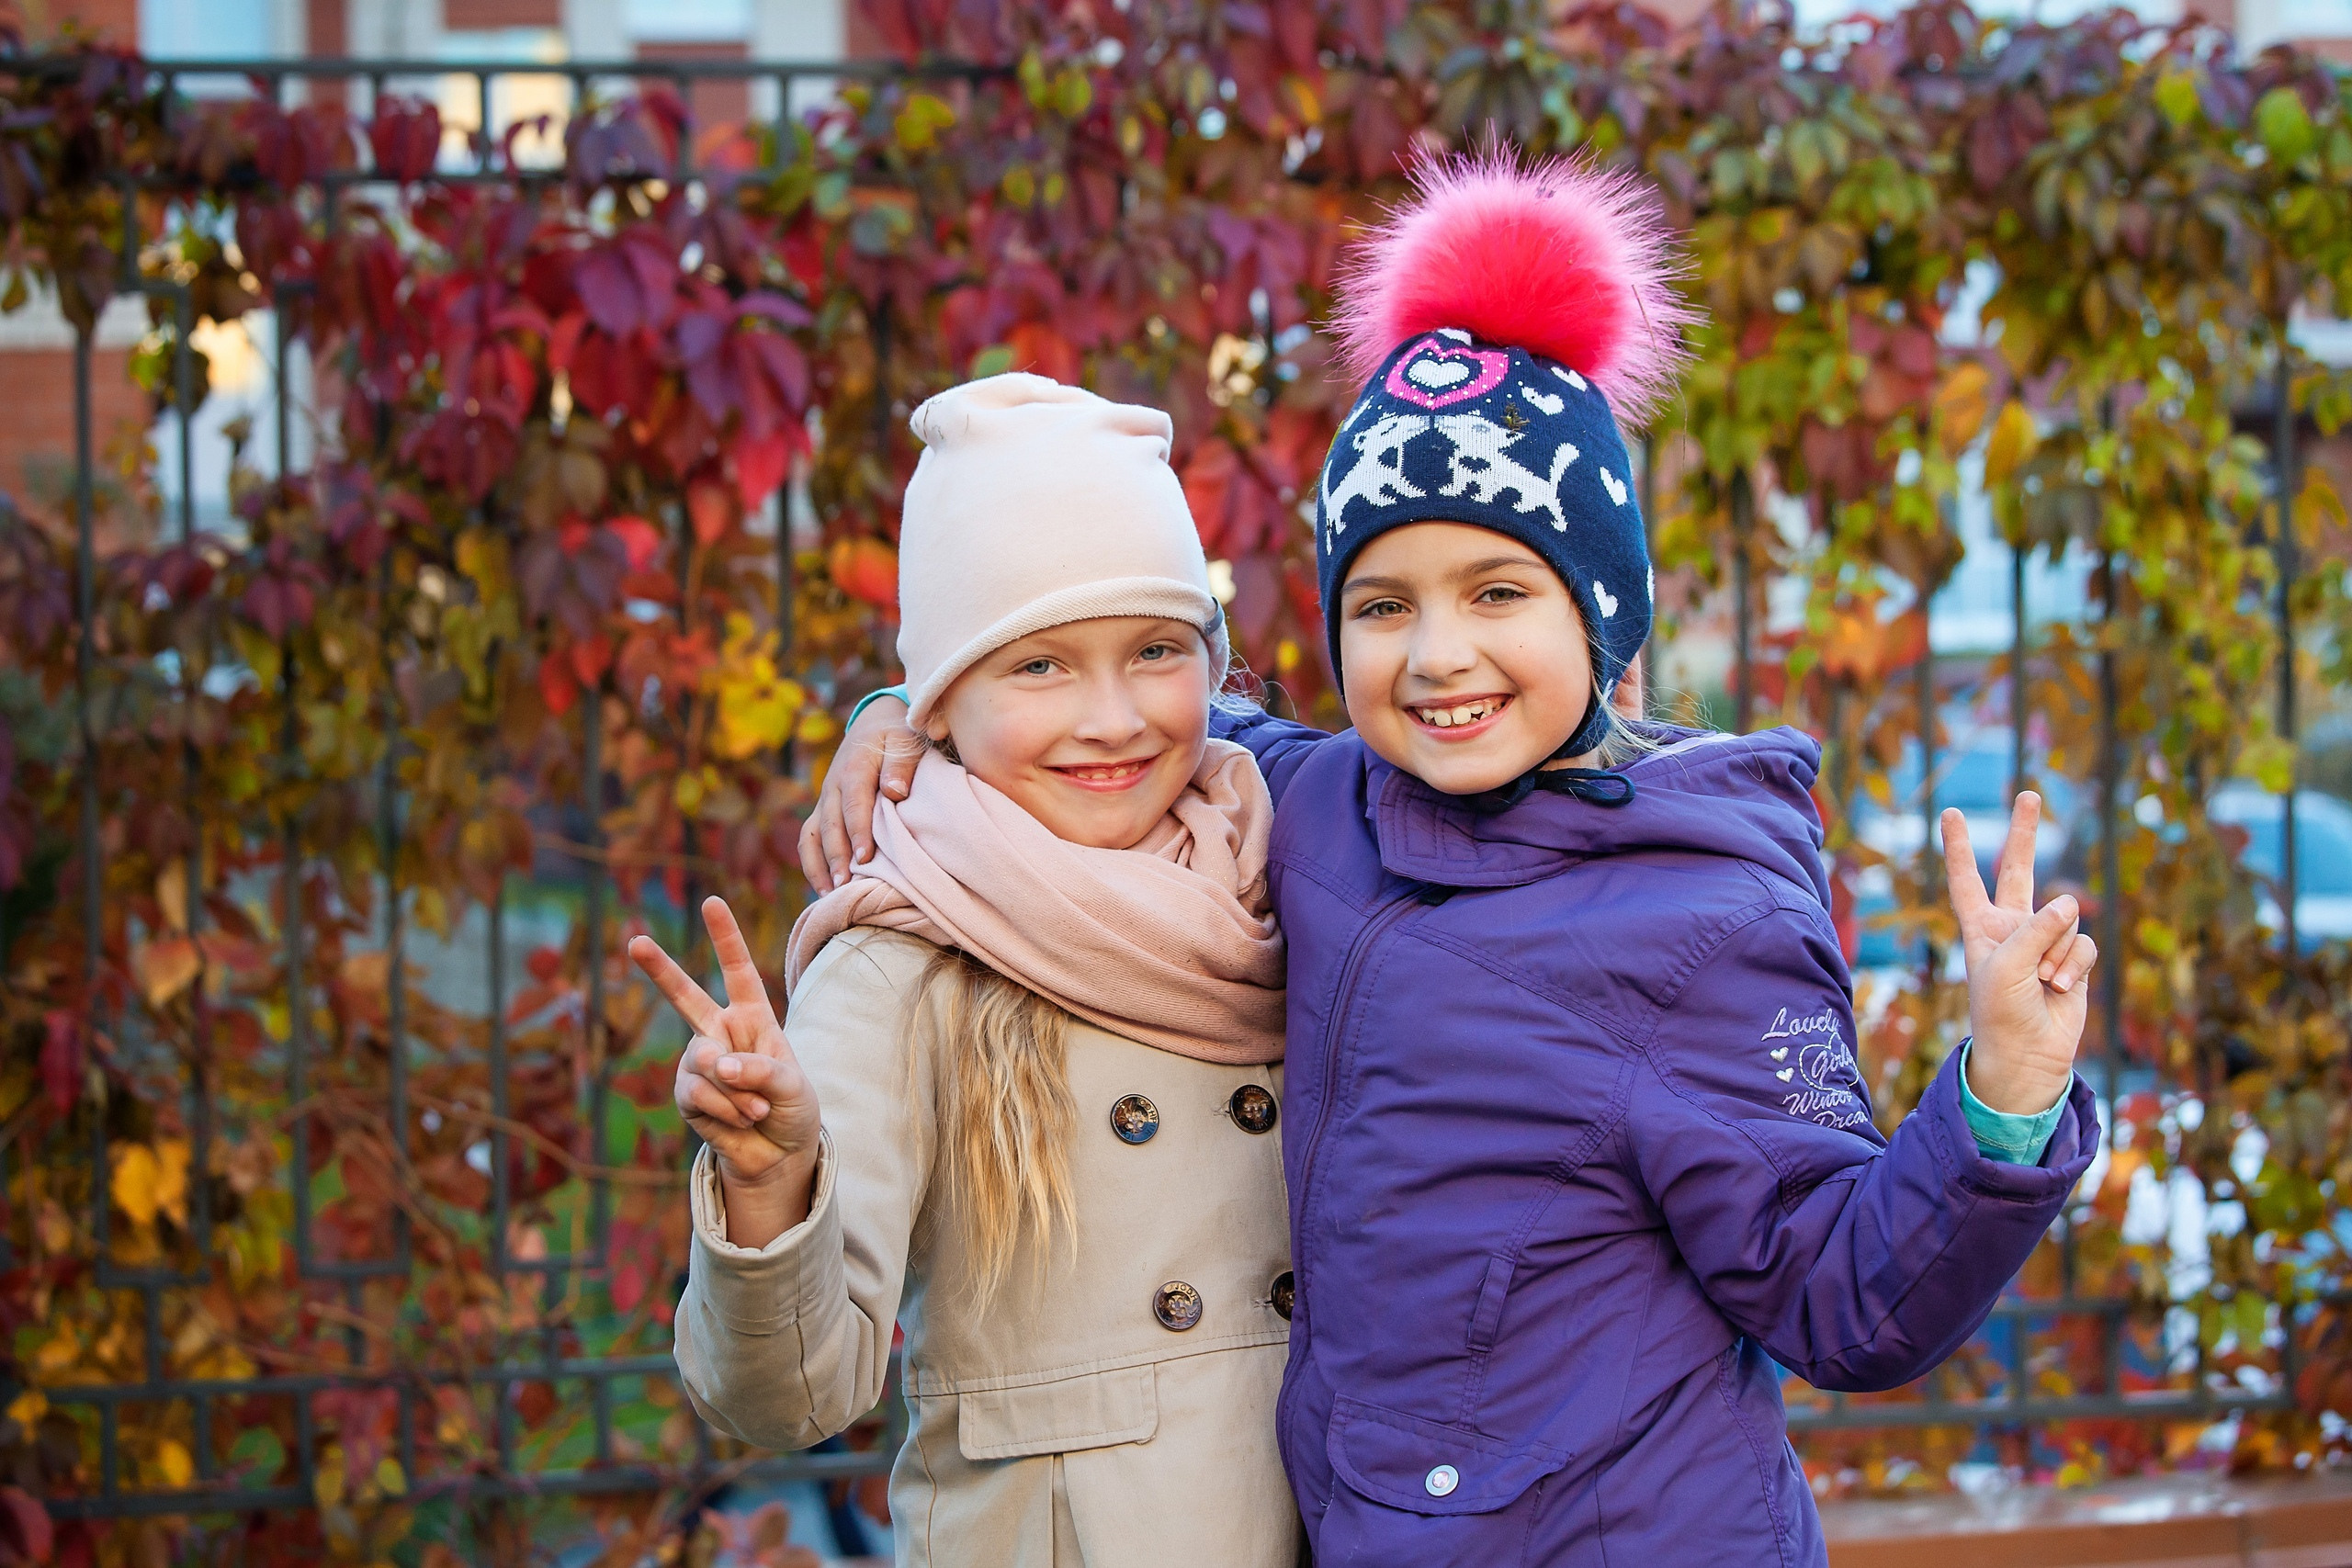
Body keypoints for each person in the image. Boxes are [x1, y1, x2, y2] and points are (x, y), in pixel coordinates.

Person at [810, 154, 2101, 1565]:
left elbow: (1844, 1300)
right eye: (1382, 604)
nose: (1438, 657)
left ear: (1600, 614)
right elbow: (1099, 709)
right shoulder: (1313, 804)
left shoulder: (1704, 916)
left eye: (1498, 592)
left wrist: (2004, 1104)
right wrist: (899, 716)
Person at [633, 374, 1302, 1566]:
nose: (1113, 718)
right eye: (1038, 666)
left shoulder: (1279, 868)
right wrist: (770, 1185)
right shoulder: (902, 955)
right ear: (945, 700)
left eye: (1156, 649)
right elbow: (790, 1399)